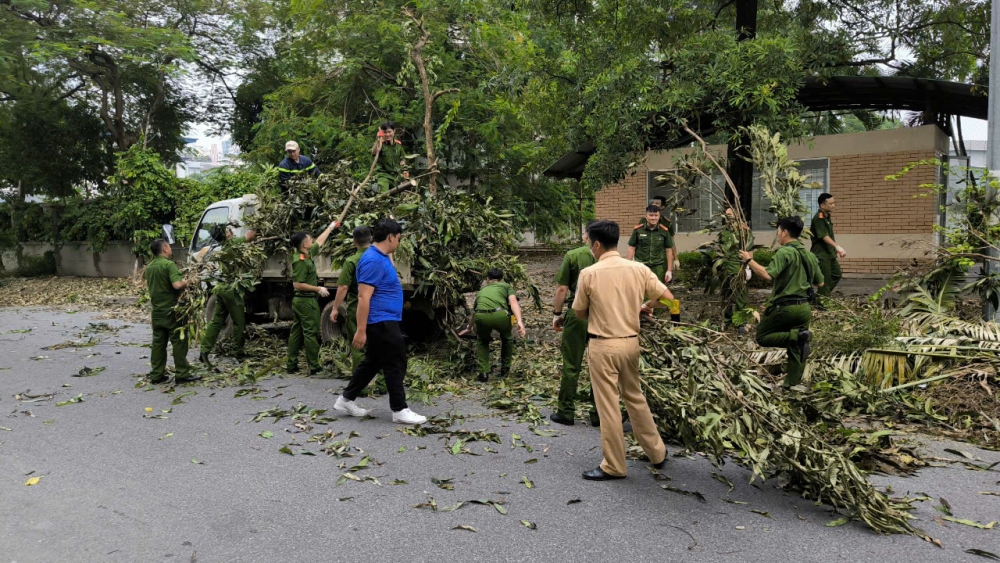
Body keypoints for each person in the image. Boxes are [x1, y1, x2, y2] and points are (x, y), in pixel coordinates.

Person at [572, 220, 672, 480]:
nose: (588, 246)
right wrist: (645, 305)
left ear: (596, 244)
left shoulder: (589, 273)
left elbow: (580, 312)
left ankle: (614, 465)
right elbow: (668, 299)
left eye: (587, 241)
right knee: (635, 398)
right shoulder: (639, 269)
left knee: (608, 406)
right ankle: (657, 452)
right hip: (630, 343)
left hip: (603, 345)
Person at [333, 218, 427, 425]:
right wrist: (360, 330)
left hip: (384, 319)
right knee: (395, 361)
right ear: (391, 237)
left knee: (373, 362)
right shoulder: (373, 260)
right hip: (381, 320)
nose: (399, 243)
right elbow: (363, 297)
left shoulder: (380, 256)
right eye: (399, 239)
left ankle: (345, 400)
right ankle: (400, 409)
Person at [739, 216, 824, 388]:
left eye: (778, 231)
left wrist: (749, 260)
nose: (777, 235)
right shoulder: (809, 255)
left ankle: (796, 336)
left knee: (762, 336)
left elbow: (767, 275)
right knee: (797, 347)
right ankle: (791, 385)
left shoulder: (784, 252)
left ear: (784, 232)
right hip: (804, 308)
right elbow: (820, 282)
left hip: (784, 308)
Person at [550, 224, 599, 427]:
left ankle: (566, 412)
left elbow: (562, 288)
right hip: (602, 315)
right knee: (599, 366)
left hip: (577, 313)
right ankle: (599, 414)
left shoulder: (573, 255)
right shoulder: (612, 259)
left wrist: (557, 313)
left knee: (571, 364)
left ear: (586, 235)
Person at [286, 219, 340, 375]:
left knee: (296, 331)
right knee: (310, 333)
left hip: (302, 301)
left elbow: (320, 241)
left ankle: (291, 364)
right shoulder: (300, 261)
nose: (313, 240)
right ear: (304, 245)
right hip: (306, 301)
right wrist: (318, 289)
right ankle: (315, 366)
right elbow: (297, 284)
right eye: (310, 240)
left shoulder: (307, 254)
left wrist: (330, 227)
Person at [199, 227, 257, 364]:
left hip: (221, 288)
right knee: (239, 322)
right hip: (232, 290)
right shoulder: (231, 244)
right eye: (228, 230)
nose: (231, 231)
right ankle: (238, 353)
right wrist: (256, 229)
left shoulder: (220, 247)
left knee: (216, 321)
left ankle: (204, 350)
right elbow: (249, 236)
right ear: (226, 235)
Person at [145, 239, 198, 384]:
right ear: (165, 249)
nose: (170, 249)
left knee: (158, 343)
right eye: (169, 246)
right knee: (179, 342)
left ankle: (157, 375)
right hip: (172, 311)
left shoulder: (150, 267)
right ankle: (182, 373)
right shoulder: (169, 265)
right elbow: (177, 285)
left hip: (157, 312)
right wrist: (190, 280)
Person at [466, 268, 526, 382]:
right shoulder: (506, 286)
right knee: (507, 338)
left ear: (488, 279)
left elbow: (474, 312)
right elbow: (513, 302)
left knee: (482, 341)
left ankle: (484, 373)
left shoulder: (482, 290)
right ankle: (505, 369)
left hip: (481, 316)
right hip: (500, 315)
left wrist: (468, 328)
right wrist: (519, 321)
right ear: (502, 279)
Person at [329, 226, 372, 372]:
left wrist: (335, 308)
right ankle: (382, 384)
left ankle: (360, 386)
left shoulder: (352, 261)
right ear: (371, 239)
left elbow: (343, 287)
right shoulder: (379, 257)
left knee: (358, 346)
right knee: (378, 345)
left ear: (354, 242)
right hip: (377, 306)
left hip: (357, 307)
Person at [627, 205, 675, 284]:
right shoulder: (638, 230)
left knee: (658, 292)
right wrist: (627, 267)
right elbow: (631, 248)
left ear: (659, 217)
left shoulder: (664, 231)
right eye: (651, 215)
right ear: (646, 216)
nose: (653, 218)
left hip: (658, 267)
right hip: (641, 266)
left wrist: (669, 270)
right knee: (641, 291)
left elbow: (669, 250)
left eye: (656, 215)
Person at [810, 193, 846, 298]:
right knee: (824, 279)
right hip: (822, 254)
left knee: (837, 274)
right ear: (822, 205)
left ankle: (821, 295)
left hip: (829, 253)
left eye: (834, 203)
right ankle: (822, 300)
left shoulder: (827, 217)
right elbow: (824, 236)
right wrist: (837, 246)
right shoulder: (819, 218)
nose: (833, 205)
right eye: (830, 204)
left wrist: (835, 249)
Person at [372, 121, 407, 192]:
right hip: (384, 175)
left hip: (396, 176)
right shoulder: (380, 144)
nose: (387, 134)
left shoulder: (398, 144)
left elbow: (403, 159)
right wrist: (379, 139)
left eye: (389, 132)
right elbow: (374, 152)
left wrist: (404, 172)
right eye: (385, 132)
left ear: (394, 131)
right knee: (384, 194)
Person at [650, 195, 678, 269]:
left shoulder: (667, 223)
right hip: (645, 259)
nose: (653, 205)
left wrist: (676, 259)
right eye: (653, 203)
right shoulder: (644, 220)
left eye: (656, 203)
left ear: (662, 207)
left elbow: (671, 242)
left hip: (661, 260)